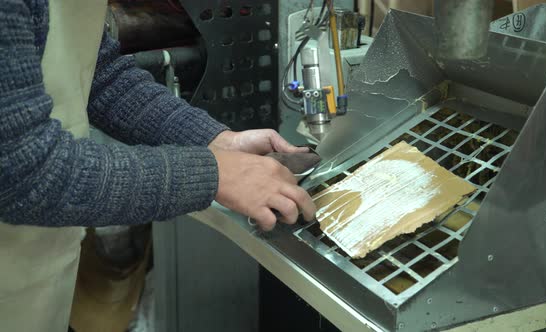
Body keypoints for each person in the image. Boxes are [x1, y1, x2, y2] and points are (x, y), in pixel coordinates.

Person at [0, 0, 317, 331]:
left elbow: (97, 71)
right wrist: (214, 173)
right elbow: (25, 172)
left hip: (34, 272)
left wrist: (212, 139)